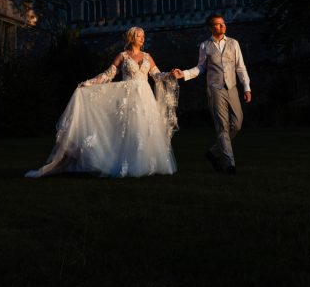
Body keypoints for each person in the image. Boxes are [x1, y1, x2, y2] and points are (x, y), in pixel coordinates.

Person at [26, 26, 181, 178]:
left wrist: (170, 75)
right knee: (127, 131)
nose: (143, 38)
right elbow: (108, 74)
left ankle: (148, 164)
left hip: (145, 97)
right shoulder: (123, 56)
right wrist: (89, 83)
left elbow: (157, 75)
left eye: (143, 36)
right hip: (128, 98)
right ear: (132, 37)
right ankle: (127, 164)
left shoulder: (147, 56)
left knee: (145, 129)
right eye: (140, 36)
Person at [173, 13, 251, 175]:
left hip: (232, 88)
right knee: (222, 127)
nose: (222, 26)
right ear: (210, 27)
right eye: (217, 24)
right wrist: (184, 74)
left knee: (237, 124)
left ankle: (213, 152)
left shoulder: (233, 43)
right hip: (215, 89)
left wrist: (247, 87)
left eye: (223, 23)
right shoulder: (204, 45)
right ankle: (230, 164)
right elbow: (201, 67)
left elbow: (240, 67)